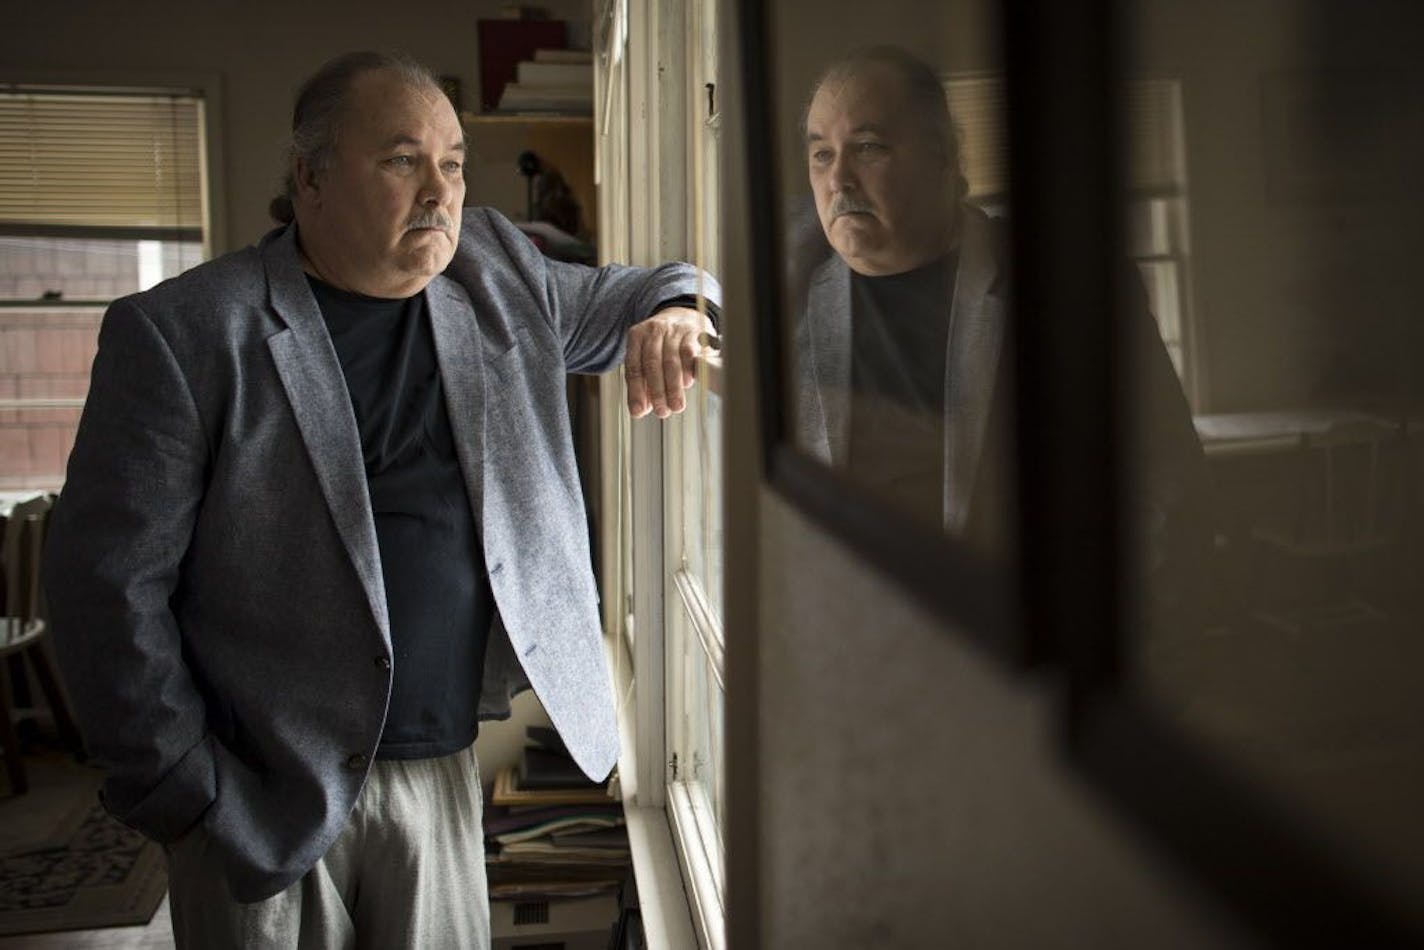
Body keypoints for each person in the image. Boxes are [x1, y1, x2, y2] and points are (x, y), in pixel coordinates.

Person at [42, 50, 717, 949]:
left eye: (453, 161)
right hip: (257, 787)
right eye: (402, 160)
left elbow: (656, 287)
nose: (440, 191)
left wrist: (675, 311)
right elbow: (104, 585)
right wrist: (182, 787)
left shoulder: (498, 273)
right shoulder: (186, 331)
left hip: (437, 770)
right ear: (309, 177)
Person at [793, 45, 1211, 623]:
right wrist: (679, 312)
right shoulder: (792, 271)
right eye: (820, 154)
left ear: (944, 155)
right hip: (852, 648)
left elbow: (1163, 467)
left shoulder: (1065, 276)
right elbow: (692, 286)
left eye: (868, 147)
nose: (838, 177)